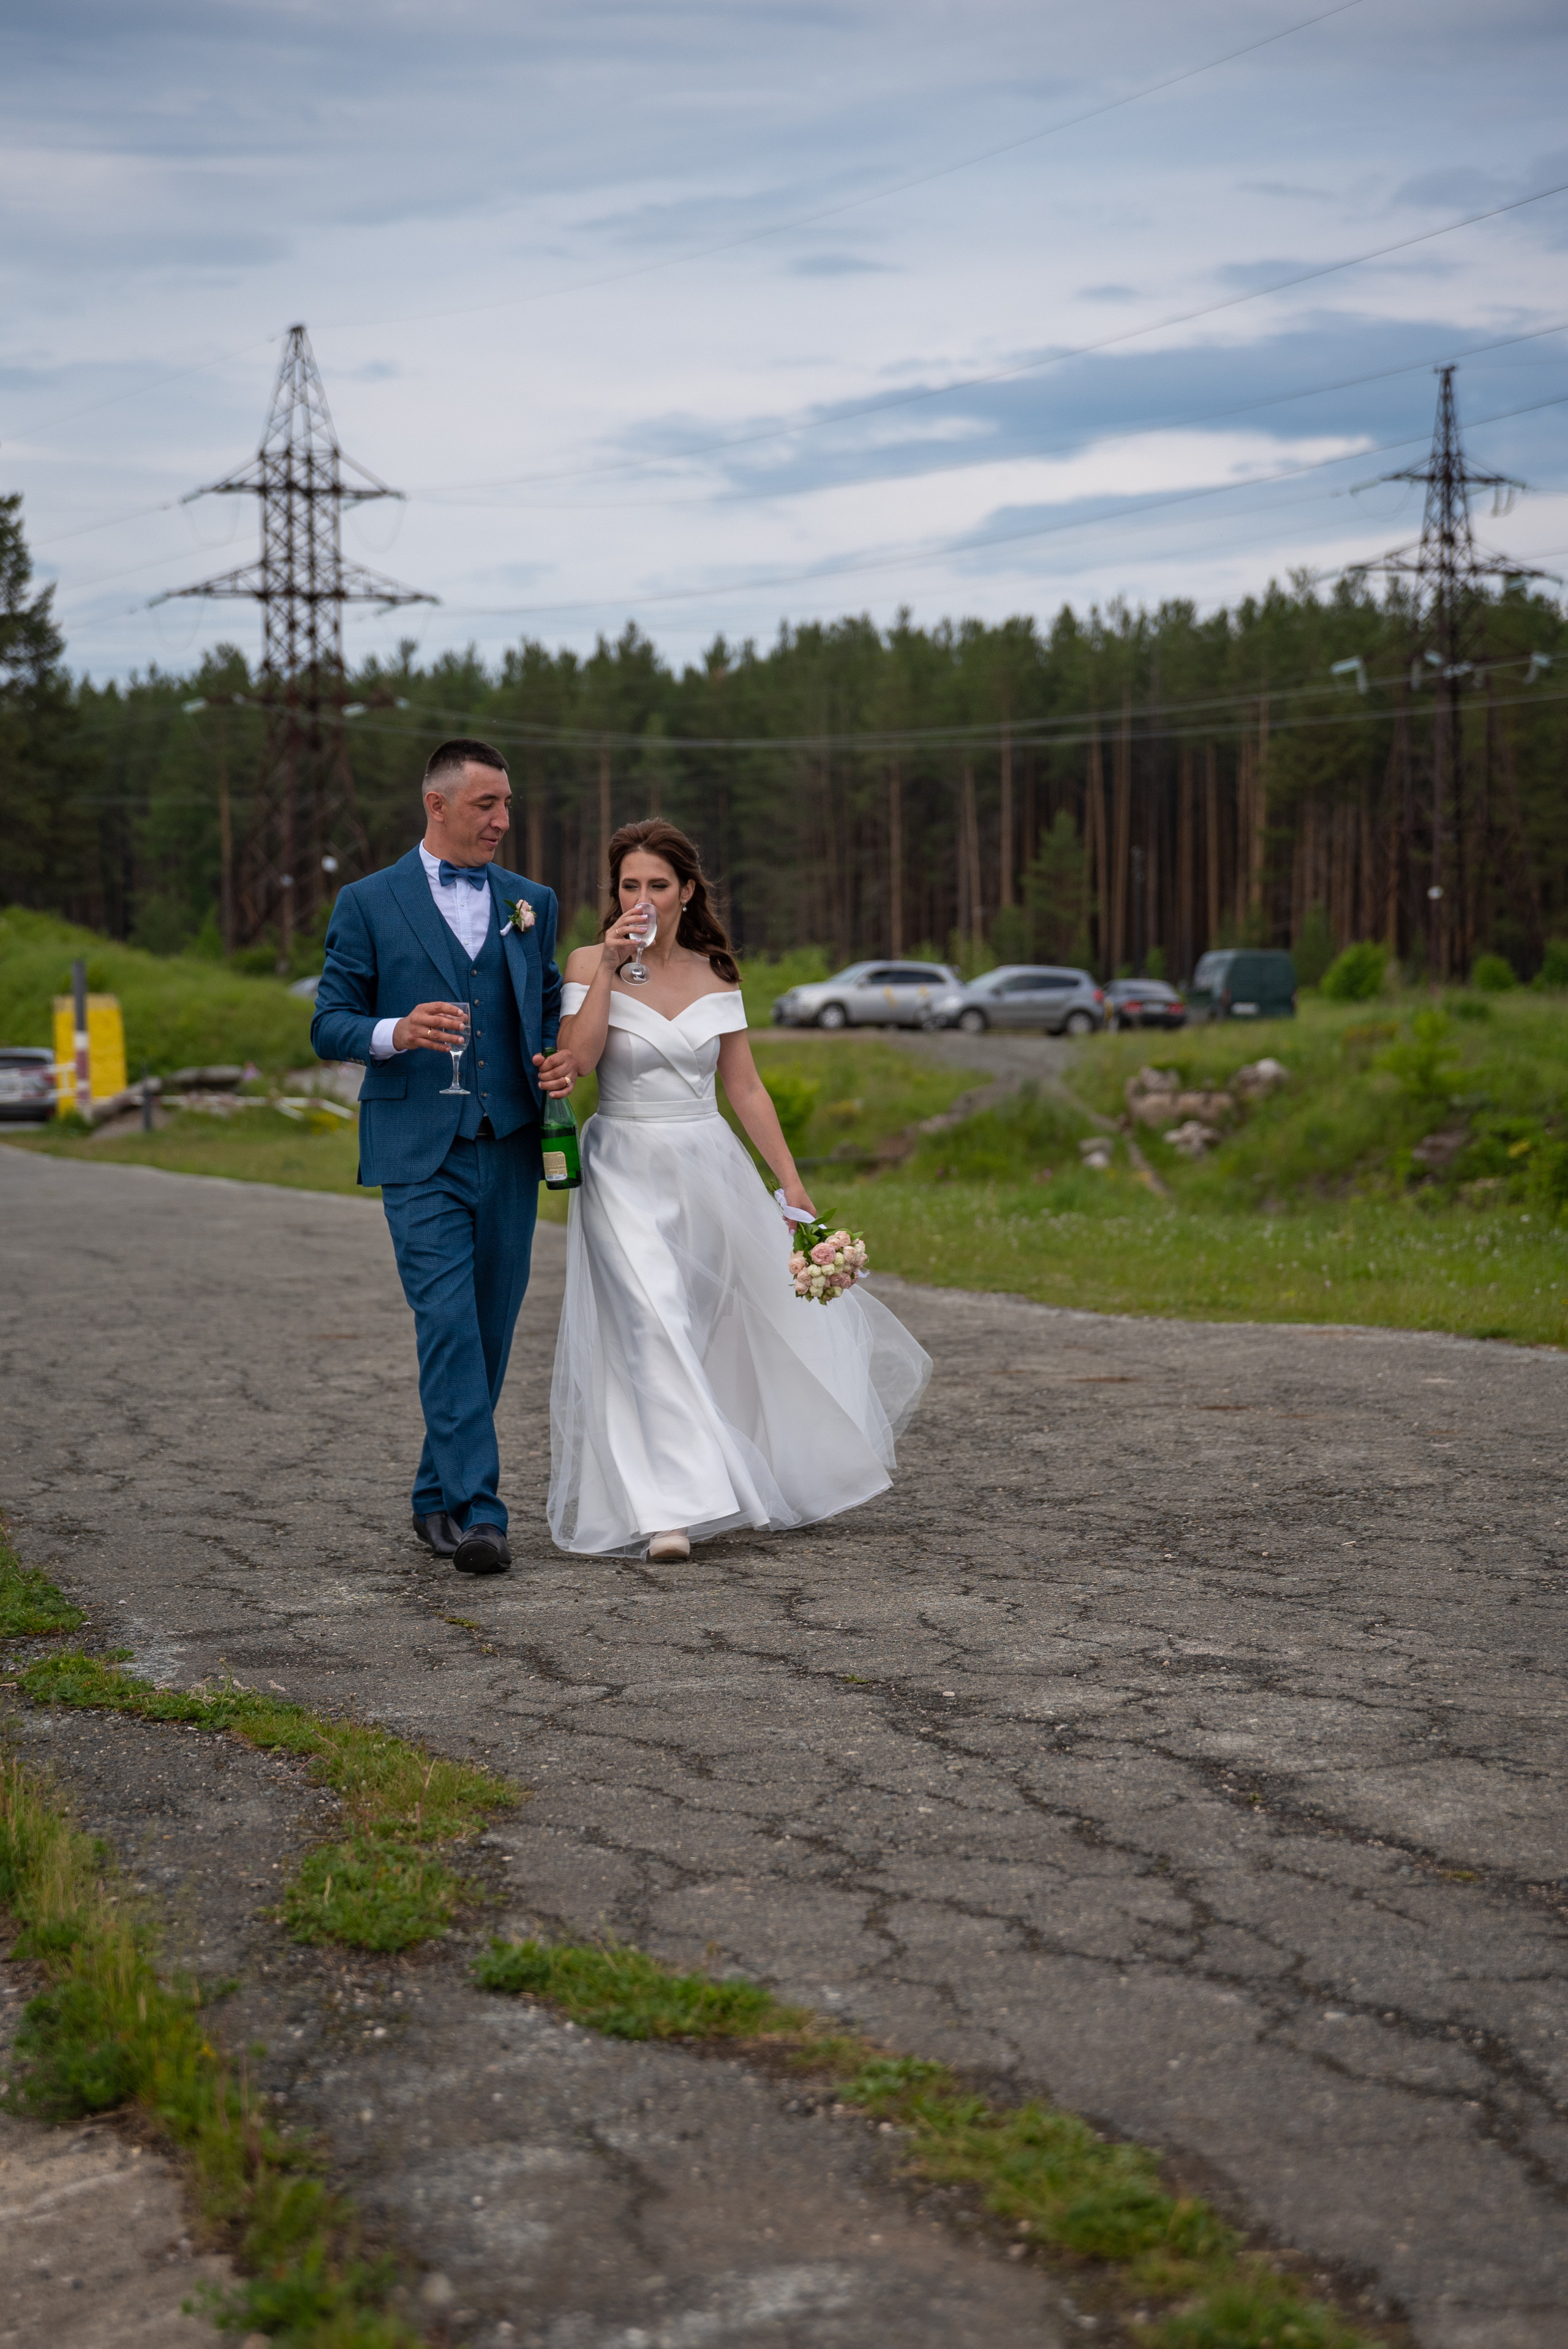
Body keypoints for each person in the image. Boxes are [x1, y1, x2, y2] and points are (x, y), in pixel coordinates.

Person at [547, 817, 930, 1562]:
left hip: (707, 1163)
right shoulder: (589, 959)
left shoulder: (716, 971)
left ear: (686, 891)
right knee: (649, 1322)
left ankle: (742, 1471)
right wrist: (607, 970)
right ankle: (670, 1512)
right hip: (623, 1162)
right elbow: (579, 1060)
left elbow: (745, 1088)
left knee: (706, 1324)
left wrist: (791, 1185)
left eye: (658, 884)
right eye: (630, 884)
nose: (644, 897)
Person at [311, 738, 571, 1576]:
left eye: (507, 805)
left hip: (510, 1141)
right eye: (487, 804)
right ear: (438, 805)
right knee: (449, 1323)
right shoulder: (368, 901)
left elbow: (544, 1001)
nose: (503, 820)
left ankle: (433, 1495)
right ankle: (482, 1513)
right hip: (418, 1146)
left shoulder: (532, 901)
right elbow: (329, 1022)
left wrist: (559, 1052)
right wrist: (394, 1032)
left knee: (489, 1331)